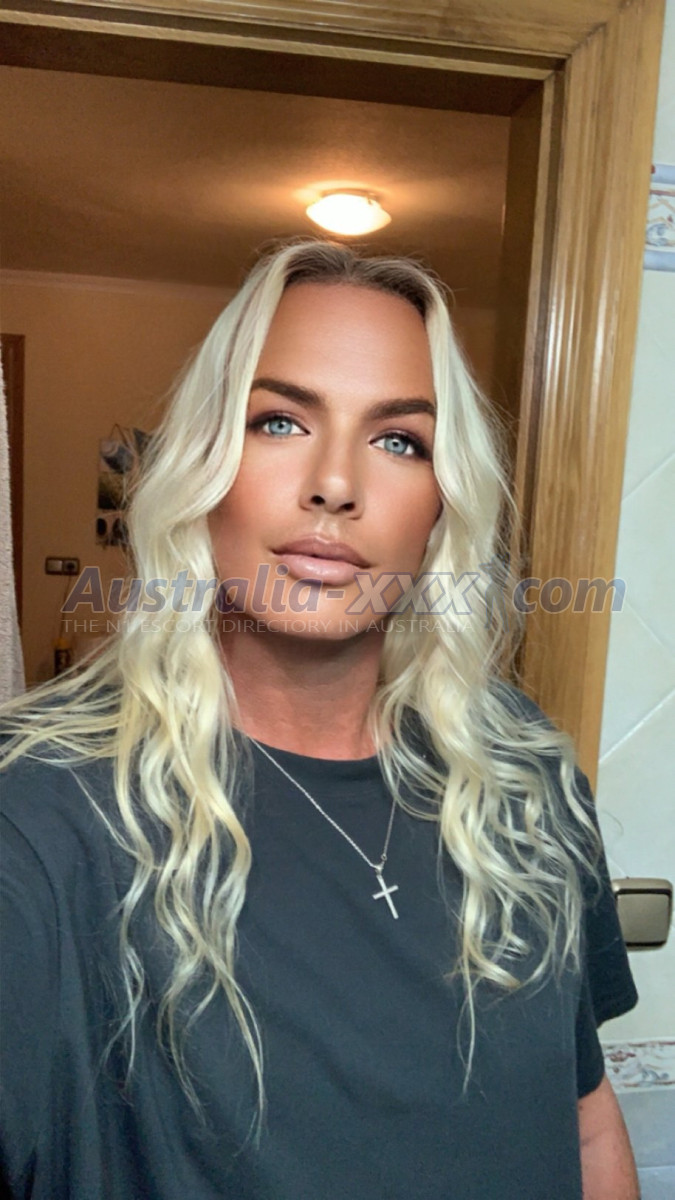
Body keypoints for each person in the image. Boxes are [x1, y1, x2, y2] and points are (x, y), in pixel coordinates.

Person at [0, 239, 639, 1200]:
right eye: (279, 421)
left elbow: (584, 1126)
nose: (335, 483)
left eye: (398, 440)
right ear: (202, 464)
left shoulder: (522, 777)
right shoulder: (41, 817)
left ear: (441, 506)